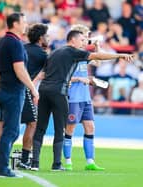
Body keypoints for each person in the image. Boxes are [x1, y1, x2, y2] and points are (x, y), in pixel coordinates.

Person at [31, 30, 133, 171]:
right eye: (82, 40)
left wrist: (33, 88)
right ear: (73, 40)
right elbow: (98, 57)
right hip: (59, 92)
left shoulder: (54, 53)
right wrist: (120, 55)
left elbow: (43, 73)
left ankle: (34, 163)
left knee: (40, 128)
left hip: (44, 90)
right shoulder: (73, 52)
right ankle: (57, 164)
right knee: (60, 129)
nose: (84, 43)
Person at [0, 23, 48, 169]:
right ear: (41, 38)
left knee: (3, 124)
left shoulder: (21, 47)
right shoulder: (42, 54)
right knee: (32, 123)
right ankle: (24, 159)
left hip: (6, 87)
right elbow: (50, 72)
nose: (48, 38)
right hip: (24, 90)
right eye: (46, 36)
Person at [63, 24, 104, 171]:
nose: (87, 39)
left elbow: (98, 62)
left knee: (90, 126)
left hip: (85, 97)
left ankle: (90, 161)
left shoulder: (84, 54)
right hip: (73, 97)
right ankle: (68, 161)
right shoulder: (68, 54)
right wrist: (79, 79)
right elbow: (62, 77)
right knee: (70, 128)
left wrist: (97, 47)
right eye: (85, 36)